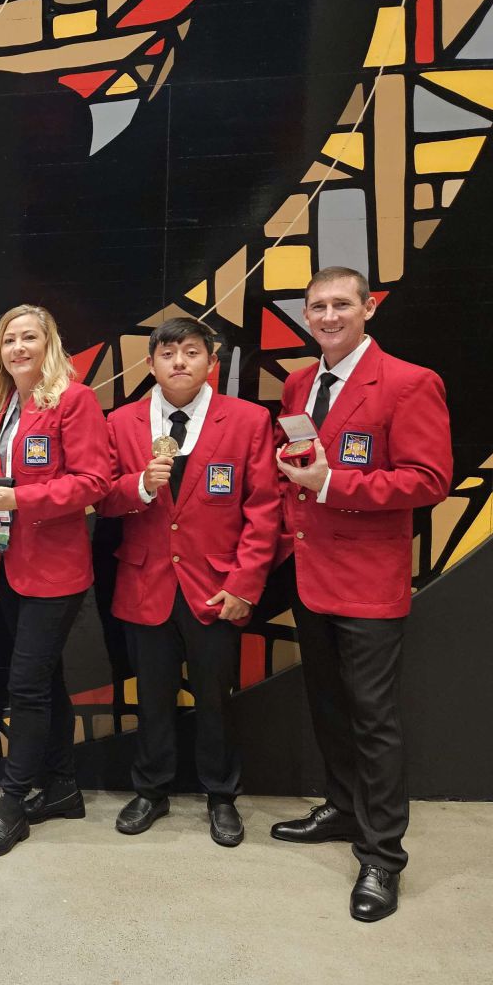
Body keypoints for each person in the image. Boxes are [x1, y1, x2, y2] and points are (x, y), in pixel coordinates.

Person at [270, 266, 452, 922]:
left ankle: (382, 857)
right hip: (311, 574)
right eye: (316, 306)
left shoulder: (408, 382)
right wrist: (292, 475)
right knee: (329, 706)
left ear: (368, 308)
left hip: (369, 581)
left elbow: (429, 479)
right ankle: (344, 809)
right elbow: (299, 463)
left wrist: (329, 483)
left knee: (374, 720)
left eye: (341, 304)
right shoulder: (298, 382)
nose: (327, 315)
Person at [98, 316, 280, 847]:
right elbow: (102, 495)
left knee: (214, 699)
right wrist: (138, 486)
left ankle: (221, 796)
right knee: (151, 697)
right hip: (144, 583)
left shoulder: (247, 420)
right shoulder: (122, 423)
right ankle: (150, 790)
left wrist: (245, 584)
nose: (180, 362)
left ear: (211, 362)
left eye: (192, 352)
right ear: (151, 363)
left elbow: (264, 509)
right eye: (168, 353)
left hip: (216, 586)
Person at [0, 305, 111, 858]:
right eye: (9, 339)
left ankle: (11, 803)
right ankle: (63, 787)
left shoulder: (74, 400)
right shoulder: (3, 407)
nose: (18, 348)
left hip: (55, 570)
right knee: (45, 681)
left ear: (50, 346)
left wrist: (19, 499)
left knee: (24, 687)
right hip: (7, 564)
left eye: (30, 338)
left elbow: (94, 481)